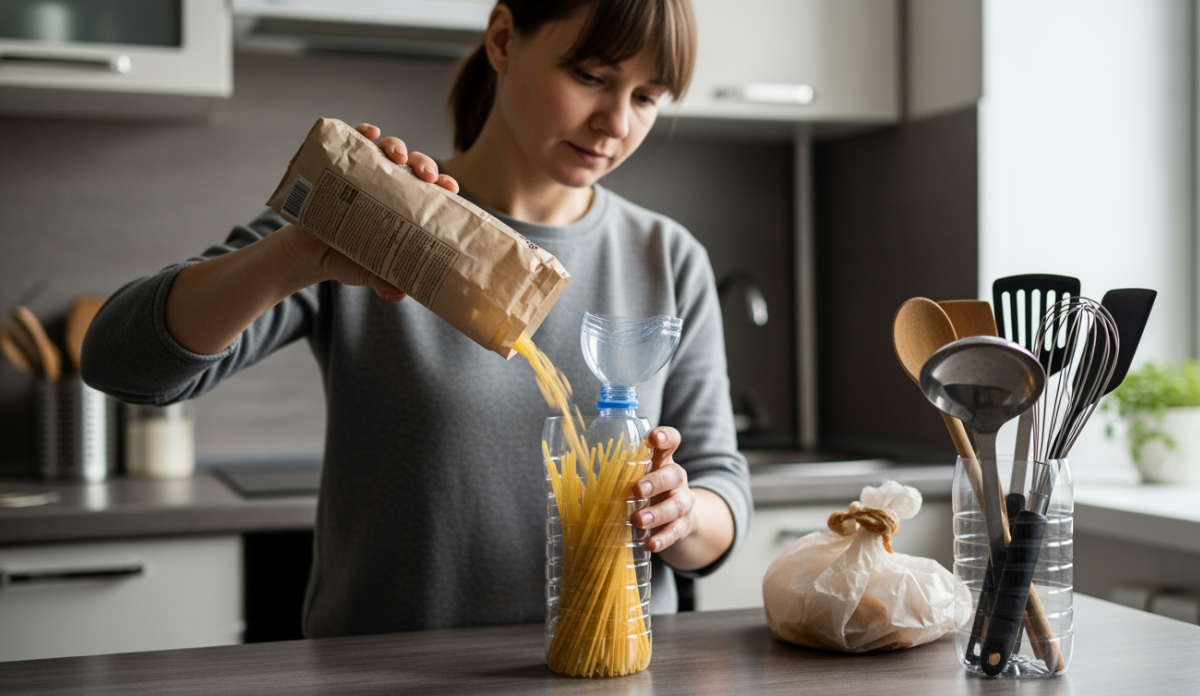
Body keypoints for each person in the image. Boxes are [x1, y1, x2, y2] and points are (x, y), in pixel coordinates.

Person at [82, 0, 751, 638]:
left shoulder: (666, 257)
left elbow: (721, 486)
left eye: (646, 98)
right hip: (390, 674)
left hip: (605, 667)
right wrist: (298, 253)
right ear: (503, 39)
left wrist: (683, 513)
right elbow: (119, 362)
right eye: (590, 76)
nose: (616, 122)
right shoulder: (380, 225)